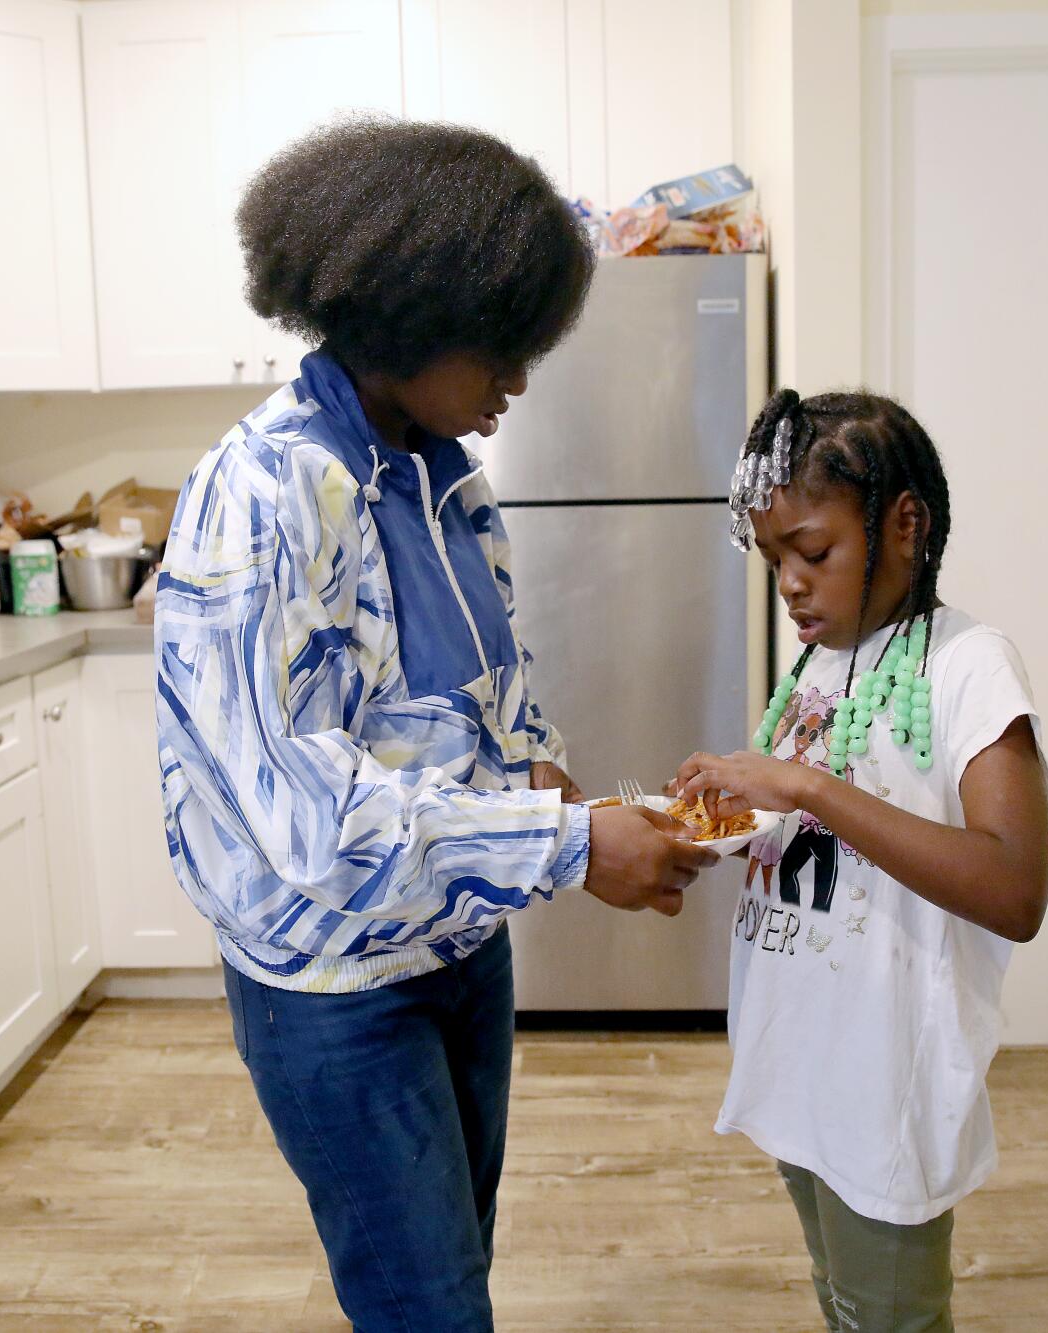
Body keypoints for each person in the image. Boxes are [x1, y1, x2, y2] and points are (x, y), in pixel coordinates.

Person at [154, 118, 718, 1332]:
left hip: (460, 947)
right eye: (501, 347)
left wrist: (573, 799)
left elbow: (482, 705)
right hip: (338, 980)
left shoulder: (443, 474)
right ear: (410, 311)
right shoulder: (254, 499)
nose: (518, 380)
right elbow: (310, 819)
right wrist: (569, 850)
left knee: (454, 1272)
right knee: (425, 1308)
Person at [677, 389, 1048, 1333]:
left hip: (884, 1085)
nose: (791, 585)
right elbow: (821, 829)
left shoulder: (969, 665)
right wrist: (731, 819)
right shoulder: (821, 660)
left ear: (903, 525)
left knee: (891, 1316)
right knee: (844, 1300)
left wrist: (805, 790)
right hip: (804, 1061)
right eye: (774, 563)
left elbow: (1013, 888)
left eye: (812, 553)